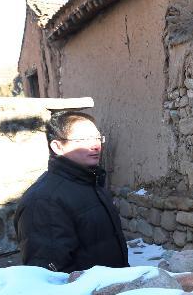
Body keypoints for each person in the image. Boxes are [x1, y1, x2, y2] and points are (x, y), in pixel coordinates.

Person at [15, 110, 128, 273]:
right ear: (57, 146)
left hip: (111, 291)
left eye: (97, 138)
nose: (96, 145)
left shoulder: (90, 183)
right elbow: (50, 275)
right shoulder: (45, 200)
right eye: (83, 139)